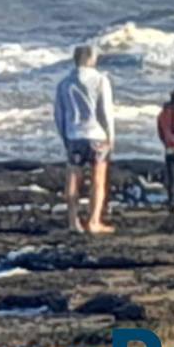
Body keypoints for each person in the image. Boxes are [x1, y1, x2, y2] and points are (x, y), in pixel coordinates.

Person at [54, 45, 116, 234]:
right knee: (98, 179)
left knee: (73, 179)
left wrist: (64, 135)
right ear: (90, 59)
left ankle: (74, 222)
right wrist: (111, 135)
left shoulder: (64, 83)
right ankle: (94, 221)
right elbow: (105, 111)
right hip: (96, 134)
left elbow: (59, 114)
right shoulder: (100, 80)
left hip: (74, 135)